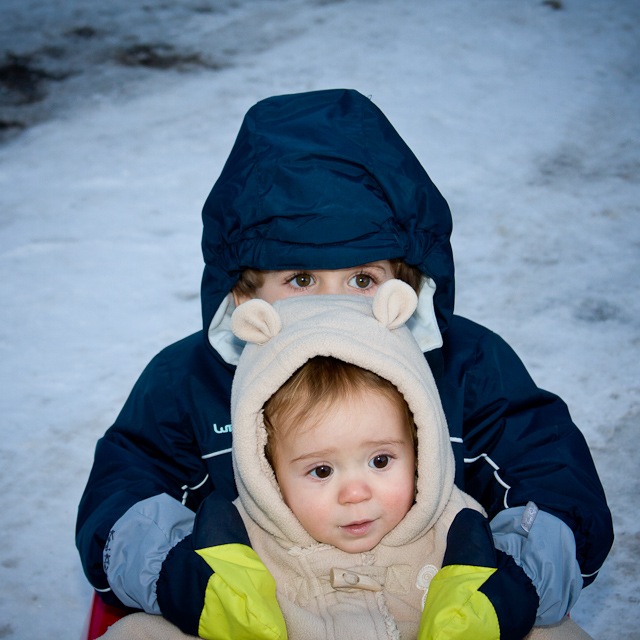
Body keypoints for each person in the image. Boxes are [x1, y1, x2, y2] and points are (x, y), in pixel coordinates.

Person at [76, 89, 613, 639]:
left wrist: (513, 585)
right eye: (301, 280)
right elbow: (130, 482)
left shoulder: (465, 364)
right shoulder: (190, 378)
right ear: (244, 296)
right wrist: (180, 575)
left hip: (434, 606)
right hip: (265, 613)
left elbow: (545, 468)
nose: (330, 305)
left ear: (404, 285)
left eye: (362, 280)